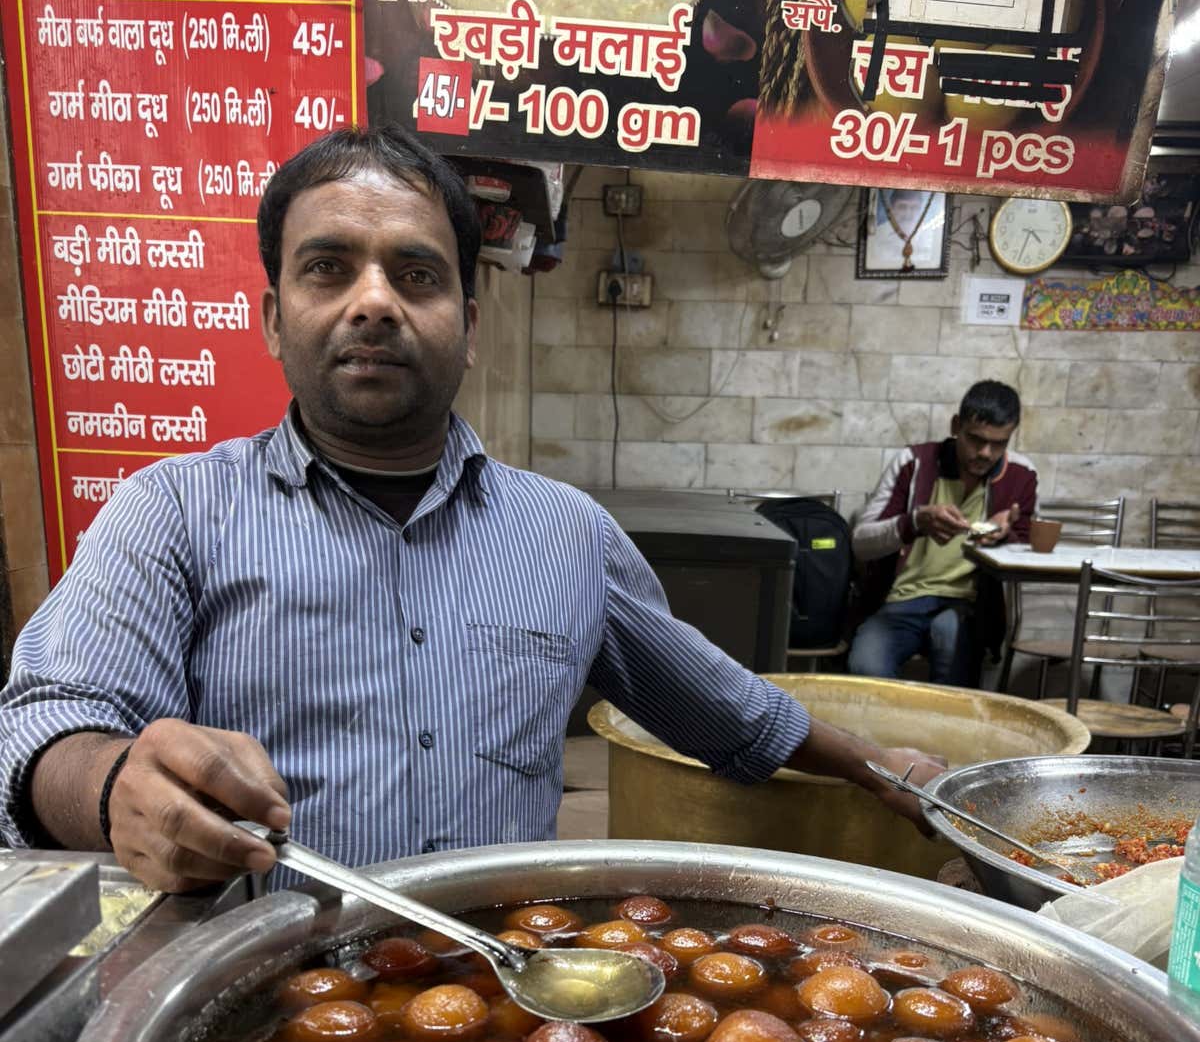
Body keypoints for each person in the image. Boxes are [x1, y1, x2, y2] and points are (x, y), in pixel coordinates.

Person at [0, 125, 942, 892]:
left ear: (469, 325)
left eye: (416, 275)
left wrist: (880, 767)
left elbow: (731, 713)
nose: (374, 303)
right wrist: (117, 781)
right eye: (329, 269)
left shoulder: (565, 536)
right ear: (272, 319)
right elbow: (49, 726)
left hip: (500, 1013)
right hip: (260, 1013)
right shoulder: (170, 514)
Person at [847, 381, 1037, 687]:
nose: (986, 453)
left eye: (999, 443)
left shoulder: (1020, 474)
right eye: (975, 440)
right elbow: (861, 543)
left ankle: (938, 734)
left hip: (967, 604)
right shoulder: (914, 463)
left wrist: (1005, 536)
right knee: (865, 666)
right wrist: (915, 522)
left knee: (954, 653)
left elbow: (1027, 562)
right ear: (956, 426)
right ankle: (888, 736)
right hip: (901, 599)